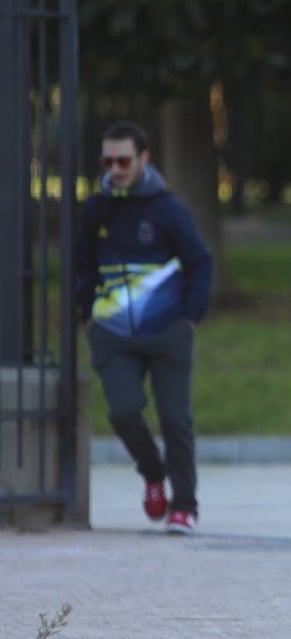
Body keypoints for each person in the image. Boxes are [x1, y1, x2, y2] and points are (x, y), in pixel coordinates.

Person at [75, 120, 213, 534]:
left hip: (167, 330)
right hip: (113, 334)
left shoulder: (168, 208)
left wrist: (189, 317)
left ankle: (184, 506)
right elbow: (83, 265)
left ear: (143, 160)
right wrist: (89, 314)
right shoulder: (97, 208)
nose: (115, 169)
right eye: (108, 161)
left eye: (124, 160)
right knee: (122, 411)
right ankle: (154, 475)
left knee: (175, 419)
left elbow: (200, 262)